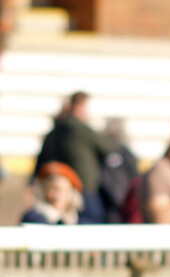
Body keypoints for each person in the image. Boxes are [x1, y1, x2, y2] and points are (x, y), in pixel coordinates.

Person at [34, 91, 116, 222]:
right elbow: (108, 149)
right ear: (79, 107)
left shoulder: (54, 132)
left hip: (59, 188)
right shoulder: (79, 128)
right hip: (82, 189)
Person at [21, 161, 93, 224]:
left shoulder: (81, 222)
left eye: (65, 190)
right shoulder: (33, 218)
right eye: (54, 189)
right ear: (43, 190)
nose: (59, 195)